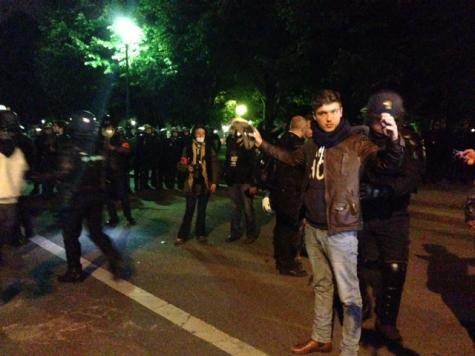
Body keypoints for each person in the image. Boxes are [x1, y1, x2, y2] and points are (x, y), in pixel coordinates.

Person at [253, 90, 404, 355]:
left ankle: (349, 350)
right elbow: (291, 158)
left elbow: (385, 164)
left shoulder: (355, 141)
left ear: (341, 111)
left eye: (333, 111)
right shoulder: (313, 144)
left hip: (341, 231)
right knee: (322, 286)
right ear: (315, 116)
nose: (329, 118)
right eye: (323, 113)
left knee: (349, 297)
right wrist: (261, 143)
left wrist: (394, 141)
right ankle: (321, 337)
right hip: (313, 228)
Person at [358, 90, 424, 343]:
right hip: (365, 213)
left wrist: (384, 190)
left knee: (394, 268)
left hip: (393, 214)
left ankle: (387, 321)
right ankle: (362, 302)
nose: (381, 124)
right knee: (362, 264)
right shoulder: (362, 139)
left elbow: (413, 177)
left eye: (386, 119)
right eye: (376, 119)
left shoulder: (409, 140)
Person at [54, 110, 125, 283]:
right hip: (97, 196)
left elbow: (64, 172)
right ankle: (113, 256)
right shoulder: (101, 145)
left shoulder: (70, 145)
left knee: (70, 235)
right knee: (96, 232)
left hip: (76, 197)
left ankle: (74, 270)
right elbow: (112, 169)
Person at [268, 116, 311, 277]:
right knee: (290, 230)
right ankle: (288, 263)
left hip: (280, 192)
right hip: (292, 193)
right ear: (302, 127)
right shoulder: (297, 146)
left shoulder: (280, 141)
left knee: (281, 228)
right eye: (308, 126)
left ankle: (281, 259)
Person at [175, 125, 219, 245]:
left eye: (202, 133)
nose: (200, 135)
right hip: (191, 183)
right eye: (198, 132)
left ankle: (200, 233)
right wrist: (187, 167)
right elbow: (180, 165)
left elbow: (215, 165)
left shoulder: (210, 148)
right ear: (194, 134)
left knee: (202, 211)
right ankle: (182, 235)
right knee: (189, 210)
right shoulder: (187, 147)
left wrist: (214, 182)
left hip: (205, 183)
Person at [0, 110, 29, 264]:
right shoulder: (18, 151)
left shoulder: (17, 151)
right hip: (12, 200)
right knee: (6, 231)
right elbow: (23, 173)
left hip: (7, 199)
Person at [224, 117, 260, 244]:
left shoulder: (248, 143)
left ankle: (251, 233)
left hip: (246, 180)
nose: (233, 130)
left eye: (235, 128)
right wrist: (227, 175)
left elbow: (254, 164)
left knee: (247, 208)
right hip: (233, 180)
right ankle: (235, 232)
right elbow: (228, 160)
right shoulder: (230, 141)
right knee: (235, 207)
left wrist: (254, 183)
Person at [102, 122, 136, 226]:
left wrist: (114, 148)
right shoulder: (102, 141)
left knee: (123, 197)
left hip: (119, 174)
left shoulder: (120, 139)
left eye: (110, 129)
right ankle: (113, 218)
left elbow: (127, 151)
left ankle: (129, 217)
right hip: (107, 174)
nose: (108, 131)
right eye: (106, 129)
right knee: (109, 199)